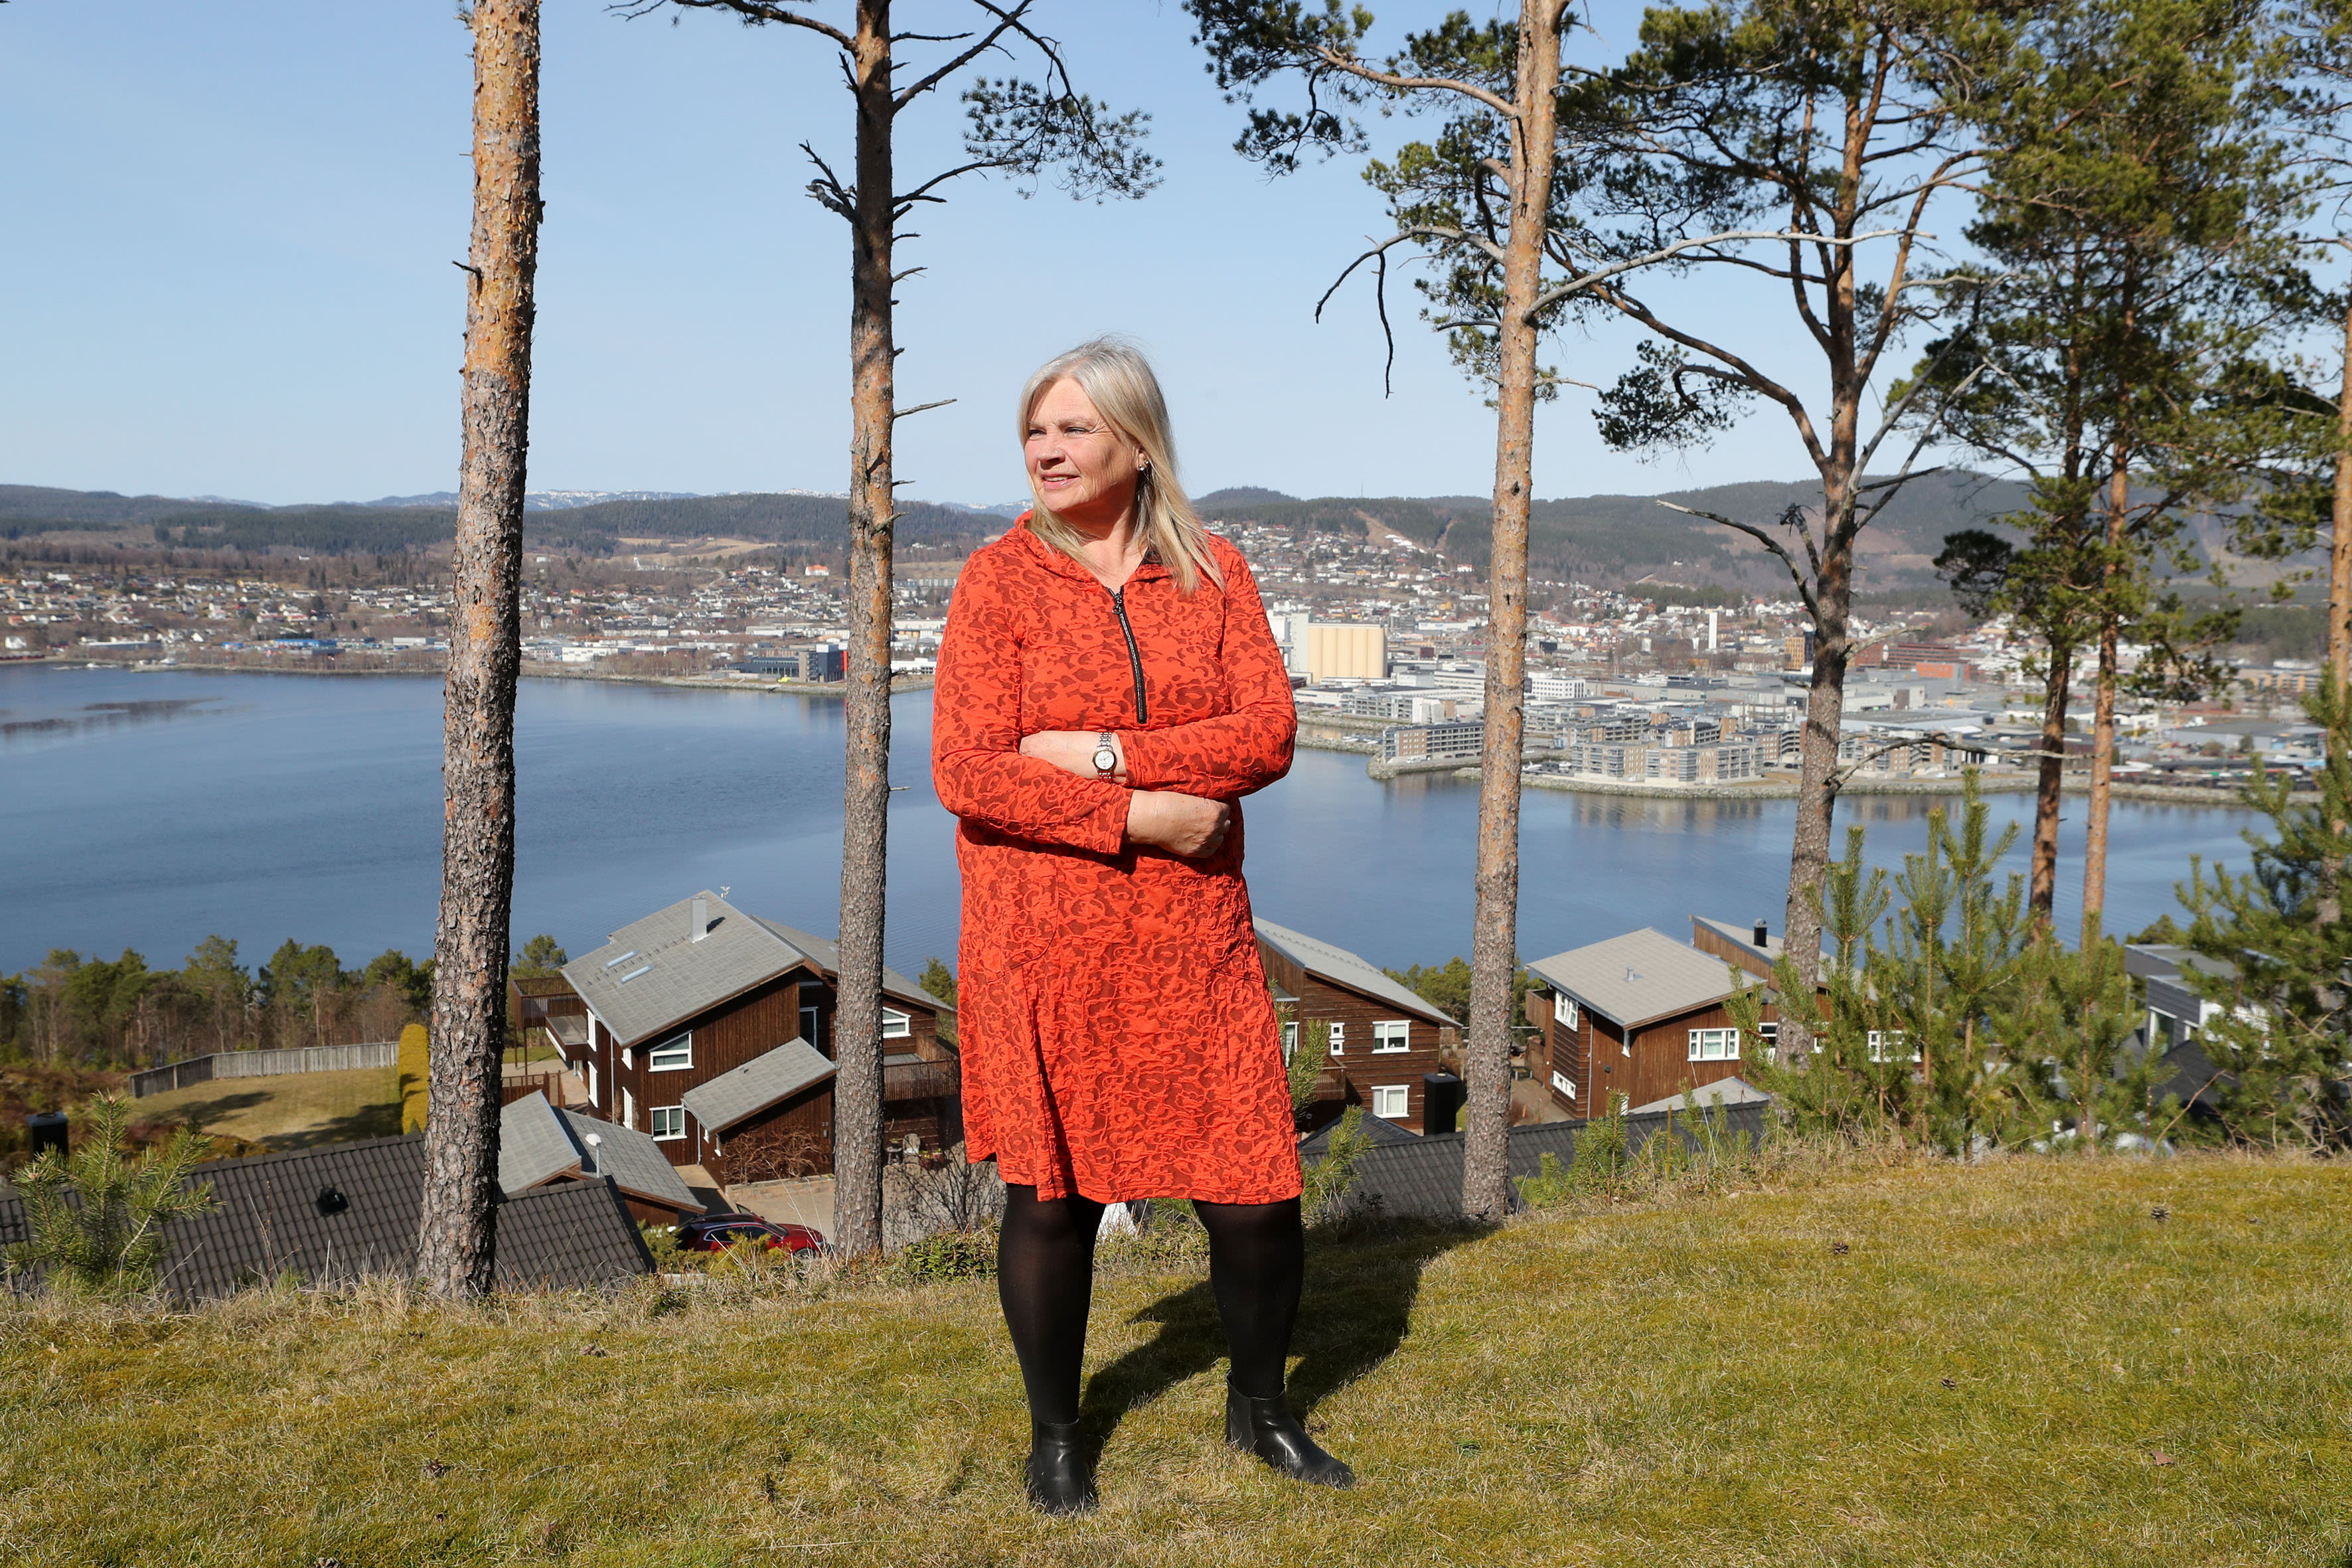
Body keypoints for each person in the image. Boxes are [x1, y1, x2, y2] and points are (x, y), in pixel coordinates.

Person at [931, 338, 1353, 1514]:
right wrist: (1141, 816)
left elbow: (1267, 732)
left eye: (1074, 428)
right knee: (1052, 1196)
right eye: (1036, 430)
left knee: (1255, 1191)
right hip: (1044, 938)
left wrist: (1105, 755)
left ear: (1138, 442)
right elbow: (970, 771)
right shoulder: (996, 582)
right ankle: (1058, 1436)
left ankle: (1262, 1407)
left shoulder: (1215, 573)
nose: (1048, 449)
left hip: (1190, 935)